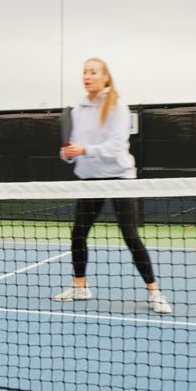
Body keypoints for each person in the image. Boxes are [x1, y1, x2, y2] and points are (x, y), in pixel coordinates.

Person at [55, 58, 172, 314]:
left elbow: (116, 148)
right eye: (84, 72)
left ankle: (154, 292)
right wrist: (69, 152)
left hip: (119, 178)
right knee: (78, 233)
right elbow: (70, 150)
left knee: (130, 235)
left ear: (105, 78)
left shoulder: (118, 107)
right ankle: (80, 286)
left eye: (93, 72)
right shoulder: (77, 111)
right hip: (89, 180)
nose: (87, 76)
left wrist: (84, 149)